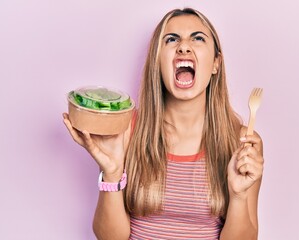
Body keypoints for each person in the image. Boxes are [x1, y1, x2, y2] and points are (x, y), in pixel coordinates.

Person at [63, 7, 264, 240]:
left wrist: (238, 196)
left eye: (198, 38)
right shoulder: (128, 130)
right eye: (171, 39)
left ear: (216, 64)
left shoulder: (242, 142)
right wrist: (112, 173)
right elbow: (110, 237)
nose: (184, 46)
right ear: (157, 61)